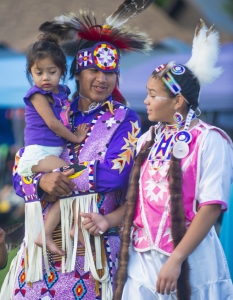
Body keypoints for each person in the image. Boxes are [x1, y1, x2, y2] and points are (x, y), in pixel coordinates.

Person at [0, 1, 153, 299]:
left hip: (92, 252)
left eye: (109, 72)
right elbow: (20, 173)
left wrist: (53, 177)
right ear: (78, 71)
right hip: (39, 254)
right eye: (93, 70)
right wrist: (41, 182)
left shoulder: (124, 119)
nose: (101, 79)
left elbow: (114, 177)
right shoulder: (54, 112)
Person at [114, 20, 233, 300]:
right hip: (140, 261)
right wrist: (106, 220)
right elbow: (138, 202)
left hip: (191, 260)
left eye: (153, 95)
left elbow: (211, 206)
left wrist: (176, 259)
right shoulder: (147, 140)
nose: (145, 100)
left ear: (178, 101)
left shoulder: (210, 140)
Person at [17, 33, 89, 257]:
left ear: (62, 72)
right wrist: (76, 138)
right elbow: (53, 123)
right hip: (39, 153)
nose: (45, 78)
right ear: (31, 73)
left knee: (65, 189)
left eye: (52, 71)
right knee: (76, 176)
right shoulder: (37, 95)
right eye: (39, 72)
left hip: (49, 152)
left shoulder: (63, 93)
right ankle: (74, 226)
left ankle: (47, 232)